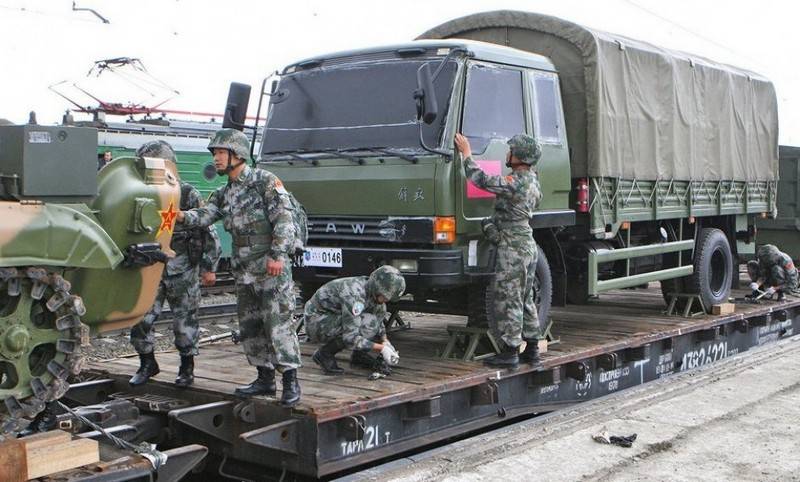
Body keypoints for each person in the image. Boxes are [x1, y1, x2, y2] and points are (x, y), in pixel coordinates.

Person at [176, 128, 303, 406]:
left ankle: (291, 381)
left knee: (277, 322)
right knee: (251, 323)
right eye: (214, 154)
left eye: (220, 153)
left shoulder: (264, 181)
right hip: (244, 269)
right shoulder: (224, 192)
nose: (216, 159)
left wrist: (278, 254)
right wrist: (180, 216)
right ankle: (264, 378)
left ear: (237, 154)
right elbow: (204, 216)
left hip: (270, 266)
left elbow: (284, 219)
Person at [129, 140, 222, 388]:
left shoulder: (187, 193)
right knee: (141, 317)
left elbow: (207, 230)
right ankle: (147, 362)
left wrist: (209, 266)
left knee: (185, 321)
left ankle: (186, 368)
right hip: (151, 267)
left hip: (183, 268)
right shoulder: (140, 193)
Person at [454, 132, 543, 369]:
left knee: (508, 297)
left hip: (514, 247)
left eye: (511, 150)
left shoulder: (517, 181)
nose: (507, 153)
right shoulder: (533, 180)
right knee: (525, 298)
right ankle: (532, 349)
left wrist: (466, 154)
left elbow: (481, 180)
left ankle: (510, 351)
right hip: (526, 243)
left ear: (519, 156)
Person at [303, 265, 405, 375]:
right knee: (367, 324)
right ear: (377, 288)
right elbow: (350, 337)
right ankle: (324, 354)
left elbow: (379, 322)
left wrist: (386, 341)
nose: (386, 300)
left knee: (373, 320)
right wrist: (381, 348)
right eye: (385, 296)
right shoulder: (354, 295)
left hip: (334, 315)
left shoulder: (372, 293)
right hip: (316, 321)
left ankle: (359, 357)